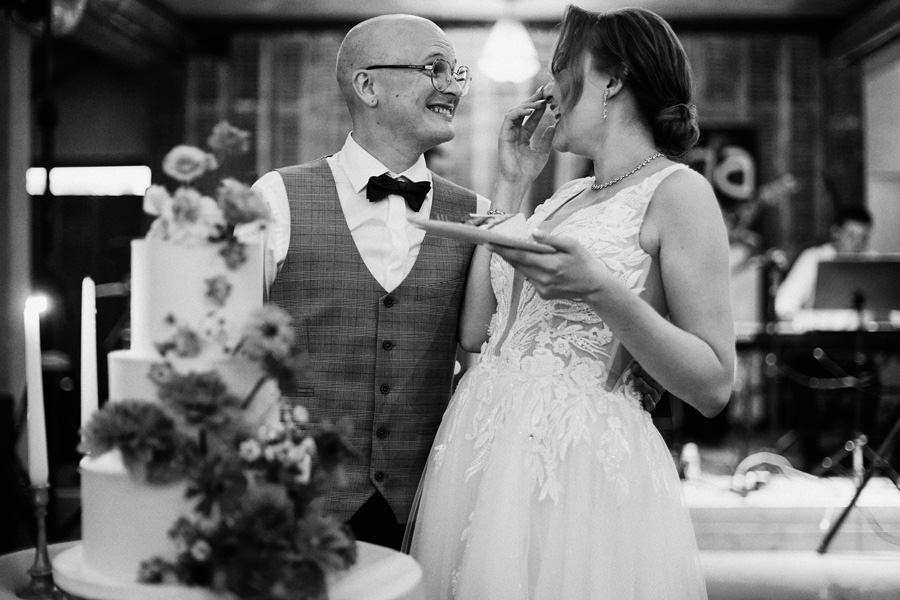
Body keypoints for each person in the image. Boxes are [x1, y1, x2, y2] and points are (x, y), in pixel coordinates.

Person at [407, 5, 735, 599]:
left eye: (561, 67)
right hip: (486, 444)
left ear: (611, 81)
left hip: (577, 463)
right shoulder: (565, 197)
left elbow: (713, 384)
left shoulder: (678, 193)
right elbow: (477, 330)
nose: (548, 85)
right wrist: (512, 181)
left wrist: (601, 289)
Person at [249, 14, 488, 551]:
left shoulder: (477, 214)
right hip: (295, 509)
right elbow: (231, 354)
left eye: (456, 73)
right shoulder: (276, 198)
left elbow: (482, 366)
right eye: (435, 68)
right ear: (368, 86)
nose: (452, 86)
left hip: (425, 509)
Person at [774, 204, 873, 319]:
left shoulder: (874, 260)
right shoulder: (813, 258)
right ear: (836, 232)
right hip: (819, 329)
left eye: (864, 238)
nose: (857, 243)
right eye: (851, 236)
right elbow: (784, 306)